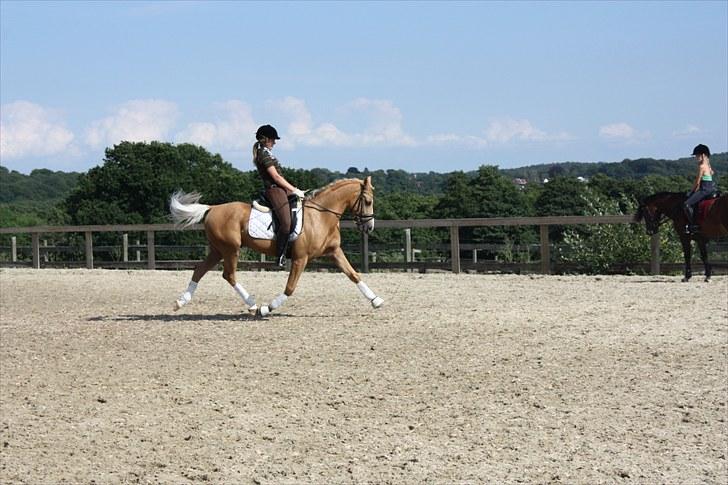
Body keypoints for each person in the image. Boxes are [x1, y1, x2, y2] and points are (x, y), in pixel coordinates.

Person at [252, 124, 306, 266]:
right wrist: (293, 190)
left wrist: (294, 189)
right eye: (272, 140)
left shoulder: (268, 153)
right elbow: (275, 177)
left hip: (281, 188)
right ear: (265, 140)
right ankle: (280, 254)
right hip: (274, 190)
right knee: (286, 223)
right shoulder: (263, 154)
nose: (274, 142)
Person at [684, 144, 717, 234]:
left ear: (702, 155)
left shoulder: (701, 166)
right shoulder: (708, 164)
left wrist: (691, 191)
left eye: (697, 155)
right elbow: (712, 173)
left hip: (704, 189)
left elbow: (697, 181)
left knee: (686, 205)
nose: (696, 157)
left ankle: (694, 225)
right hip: (711, 187)